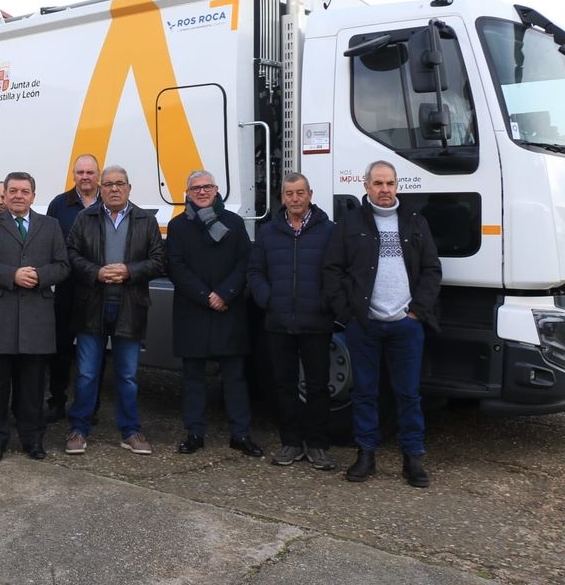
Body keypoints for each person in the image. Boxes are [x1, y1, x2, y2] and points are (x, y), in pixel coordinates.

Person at [324, 160, 442, 488]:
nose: (384, 189)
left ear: (397, 186)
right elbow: (332, 270)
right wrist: (348, 313)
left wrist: (417, 310)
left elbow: (432, 269)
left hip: (406, 324)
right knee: (365, 392)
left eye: (389, 183)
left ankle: (412, 459)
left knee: (408, 394)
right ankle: (365, 455)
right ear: (366, 187)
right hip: (365, 324)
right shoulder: (349, 224)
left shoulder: (416, 222)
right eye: (377, 183)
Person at [64, 165, 166, 455]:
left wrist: (129, 271)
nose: (114, 189)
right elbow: (70, 255)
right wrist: (95, 272)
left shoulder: (145, 220)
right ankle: (79, 429)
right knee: (85, 373)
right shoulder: (85, 218)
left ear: (129, 187)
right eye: (108, 184)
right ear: (100, 188)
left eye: (120, 183)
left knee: (128, 375)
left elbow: (159, 260)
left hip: (130, 307)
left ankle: (131, 431)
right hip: (92, 306)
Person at [0, 171, 70, 462]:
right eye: (12, 190)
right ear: (5, 193)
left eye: (24, 191)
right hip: (0, 318)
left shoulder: (50, 226)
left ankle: (32, 439)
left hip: (36, 320)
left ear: (33, 196)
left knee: (32, 388)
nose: (17, 195)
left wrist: (39, 276)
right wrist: (11, 275)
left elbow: (63, 266)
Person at [246, 172, 338, 470]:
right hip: (279, 321)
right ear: (282, 197)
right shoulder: (268, 232)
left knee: (317, 386)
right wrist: (267, 299)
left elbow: (337, 271)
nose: (295, 199)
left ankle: (319, 445)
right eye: (289, 194)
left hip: (316, 321)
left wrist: (326, 302)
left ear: (310, 194)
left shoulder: (329, 231)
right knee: (283, 385)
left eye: (300, 193)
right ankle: (291, 442)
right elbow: (255, 271)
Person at [166, 169, 261, 457]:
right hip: (193, 309)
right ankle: (195, 432)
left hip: (228, 309)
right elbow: (175, 267)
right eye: (196, 188)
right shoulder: (179, 226)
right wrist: (206, 296)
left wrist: (225, 293)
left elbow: (246, 262)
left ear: (217, 189)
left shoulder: (233, 222)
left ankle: (240, 434)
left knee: (234, 377)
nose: (202, 192)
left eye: (207, 187)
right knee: (192, 377)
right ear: (187, 193)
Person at [44, 154, 101, 422]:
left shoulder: (108, 202)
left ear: (97, 174)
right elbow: (48, 242)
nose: (85, 177)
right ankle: (57, 400)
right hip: (65, 288)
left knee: (95, 349)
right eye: (80, 172)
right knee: (60, 349)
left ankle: (91, 406)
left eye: (90, 172)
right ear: (74, 175)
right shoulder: (60, 204)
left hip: (97, 289)